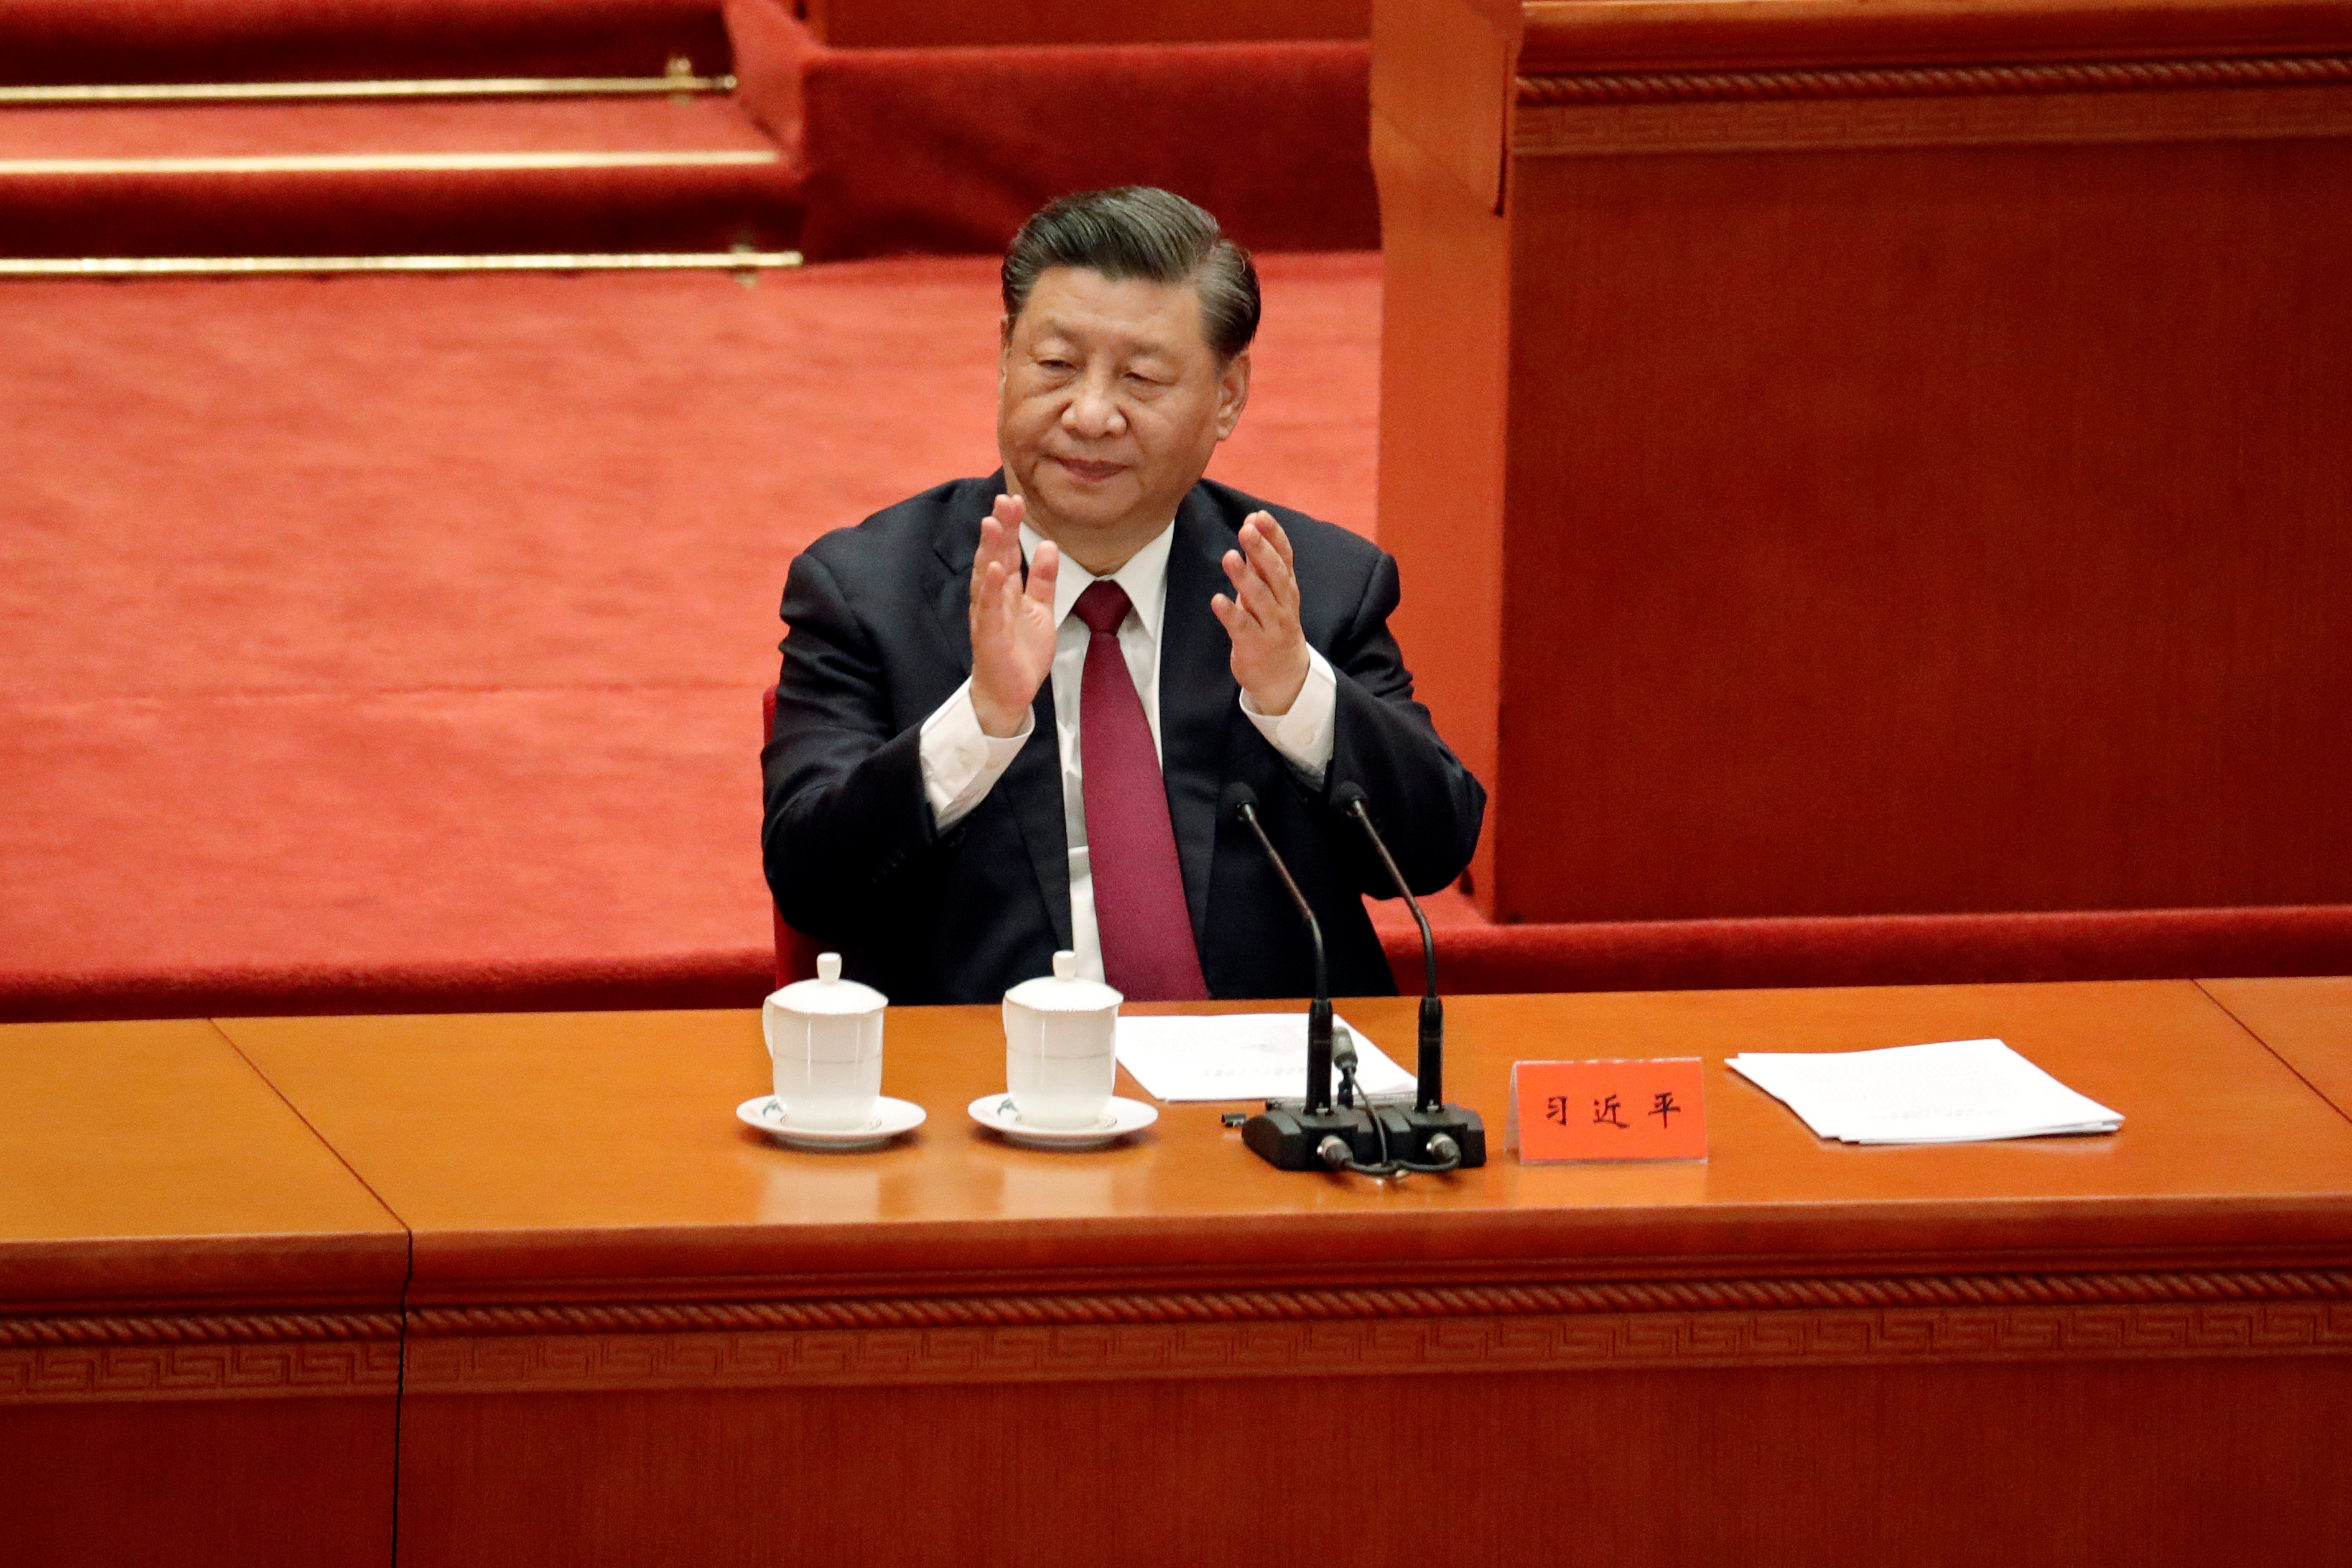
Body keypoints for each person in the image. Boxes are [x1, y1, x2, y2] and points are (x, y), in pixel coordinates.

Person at [761, 187, 1484, 1005]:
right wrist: (982, 717)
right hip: (990, 1086)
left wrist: (1296, 694)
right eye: (1055, 366)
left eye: (1140, 379)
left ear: (1227, 395)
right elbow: (809, 881)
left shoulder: (1309, 585)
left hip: (1265, 1088)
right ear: (1003, 357)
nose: (1091, 413)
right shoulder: (866, 592)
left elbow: (1433, 850)